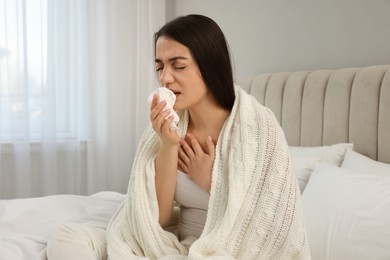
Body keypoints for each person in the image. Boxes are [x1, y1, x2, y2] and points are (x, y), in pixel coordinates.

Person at [48, 14, 311, 260]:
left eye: (178, 65)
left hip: (227, 251)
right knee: (67, 237)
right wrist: (168, 144)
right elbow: (157, 219)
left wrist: (213, 181)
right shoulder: (172, 126)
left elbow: (272, 224)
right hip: (178, 246)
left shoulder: (258, 126)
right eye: (160, 67)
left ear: (209, 66)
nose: (165, 78)